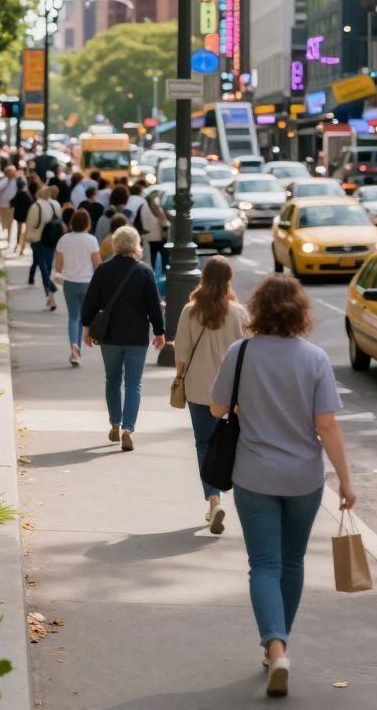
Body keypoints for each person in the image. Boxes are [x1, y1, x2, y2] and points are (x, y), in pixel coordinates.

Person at [209, 275, 356, 699]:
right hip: (303, 478)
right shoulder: (314, 358)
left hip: (253, 475)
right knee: (292, 563)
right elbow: (326, 425)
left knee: (263, 564)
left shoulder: (240, 352)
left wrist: (248, 405)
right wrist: (346, 481)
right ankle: (280, 646)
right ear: (300, 312)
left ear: (258, 309)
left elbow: (217, 408)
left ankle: (274, 647)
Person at [172, 258, 249, 536]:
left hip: (199, 387)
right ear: (229, 279)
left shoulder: (190, 311)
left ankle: (214, 499)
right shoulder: (239, 313)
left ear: (203, 278)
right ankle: (241, 496)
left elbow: (181, 353)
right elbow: (249, 352)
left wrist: (179, 377)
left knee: (204, 444)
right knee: (236, 443)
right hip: (234, 391)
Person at [81, 226, 167, 452]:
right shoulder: (144, 271)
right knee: (133, 383)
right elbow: (154, 306)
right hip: (137, 336)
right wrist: (159, 332)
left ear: (115, 244)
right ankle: (128, 429)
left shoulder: (103, 270)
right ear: (136, 244)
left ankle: (114, 424)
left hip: (109, 336)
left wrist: (87, 328)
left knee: (112, 380)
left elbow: (90, 302)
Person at [53, 208, 101, 365]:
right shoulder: (92, 240)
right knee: (83, 317)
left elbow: (58, 266)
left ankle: (74, 345)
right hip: (88, 283)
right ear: (88, 223)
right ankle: (78, 347)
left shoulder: (64, 240)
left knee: (73, 316)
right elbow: (97, 265)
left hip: (70, 283)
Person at [26, 185, 62, 311]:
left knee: (44, 268)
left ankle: (50, 293)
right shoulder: (55, 205)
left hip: (39, 240)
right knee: (48, 266)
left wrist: (27, 238)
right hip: (52, 239)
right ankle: (50, 293)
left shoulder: (36, 207)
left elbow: (30, 225)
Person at [0, 168, 19, 246]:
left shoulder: (16, 182)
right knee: (4, 221)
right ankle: (6, 231)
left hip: (11, 205)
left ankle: (9, 236)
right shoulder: (4, 181)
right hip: (3, 204)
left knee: (10, 222)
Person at [10, 177, 33, 251]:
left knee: (19, 231)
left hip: (19, 215)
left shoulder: (18, 194)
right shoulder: (27, 194)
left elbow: (12, 203)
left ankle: (18, 244)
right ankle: (22, 247)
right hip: (26, 215)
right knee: (24, 231)